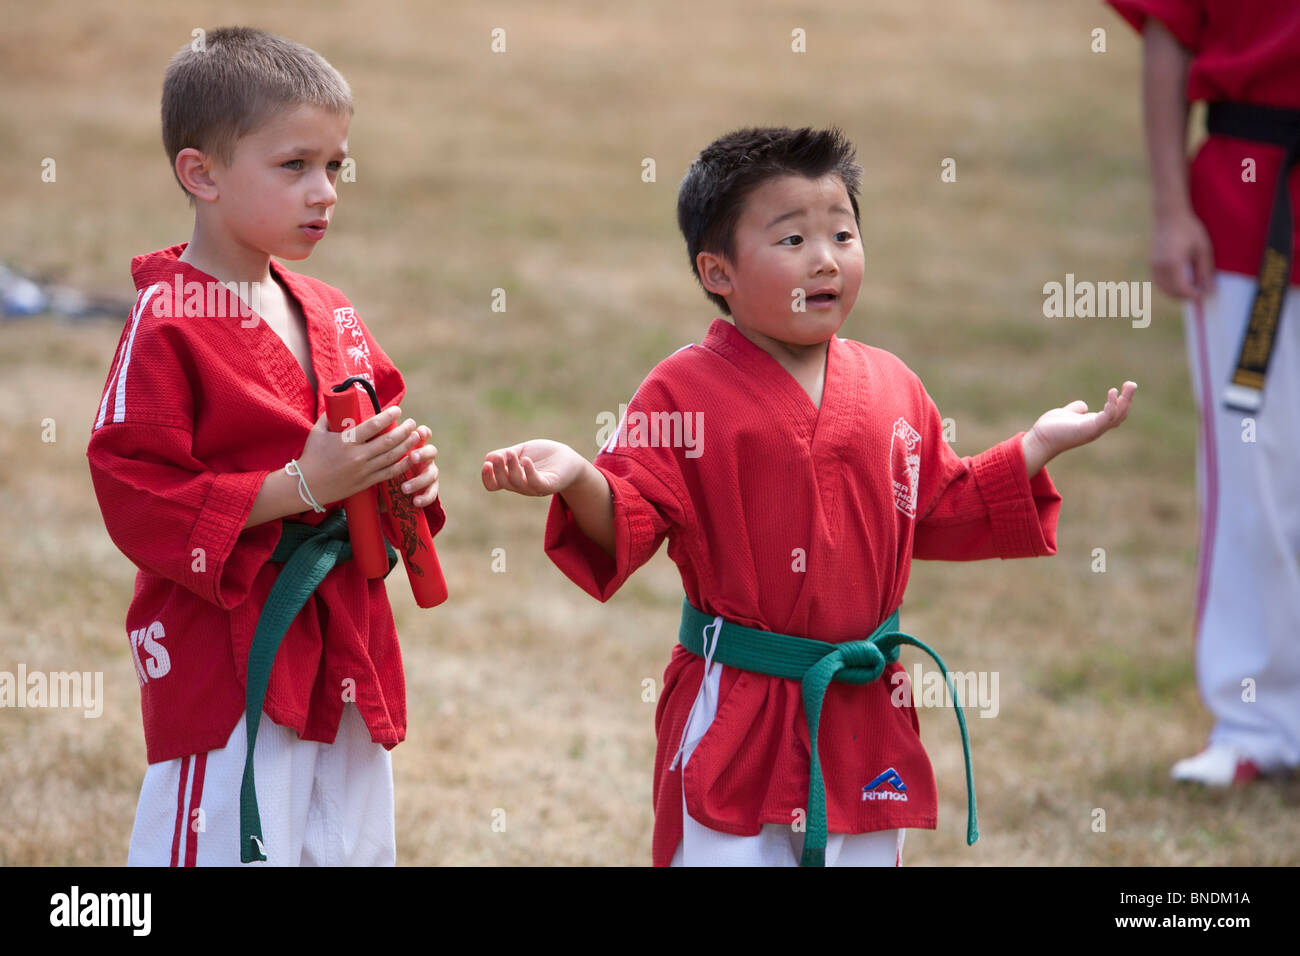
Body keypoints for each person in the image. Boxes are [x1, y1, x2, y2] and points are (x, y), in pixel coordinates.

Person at [482, 126, 1137, 866]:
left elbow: (941, 505)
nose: (826, 259)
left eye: (843, 233)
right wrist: (578, 476)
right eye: (792, 240)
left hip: (861, 706)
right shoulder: (682, 392)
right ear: (718, 270)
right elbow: (632, 514)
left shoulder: (893, 385)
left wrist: (1034, 447)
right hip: (737, 704)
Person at [86, 26, 445, 865]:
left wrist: (403, 480)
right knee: (227, 836)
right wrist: (301, 486)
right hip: (231, 655)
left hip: (343, 643)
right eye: (294, 166)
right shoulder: (166, 322)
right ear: (200, 173)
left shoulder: (330, 309)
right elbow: (133, 491)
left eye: (335, 167)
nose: (324, 192)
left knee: (343, 844)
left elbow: (374, 431)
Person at [1106, 1, 1300, 785]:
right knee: (1251, 469)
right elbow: (1168, 37)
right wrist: (1168, 209)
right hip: (1250, 215)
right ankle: (1256, 721)